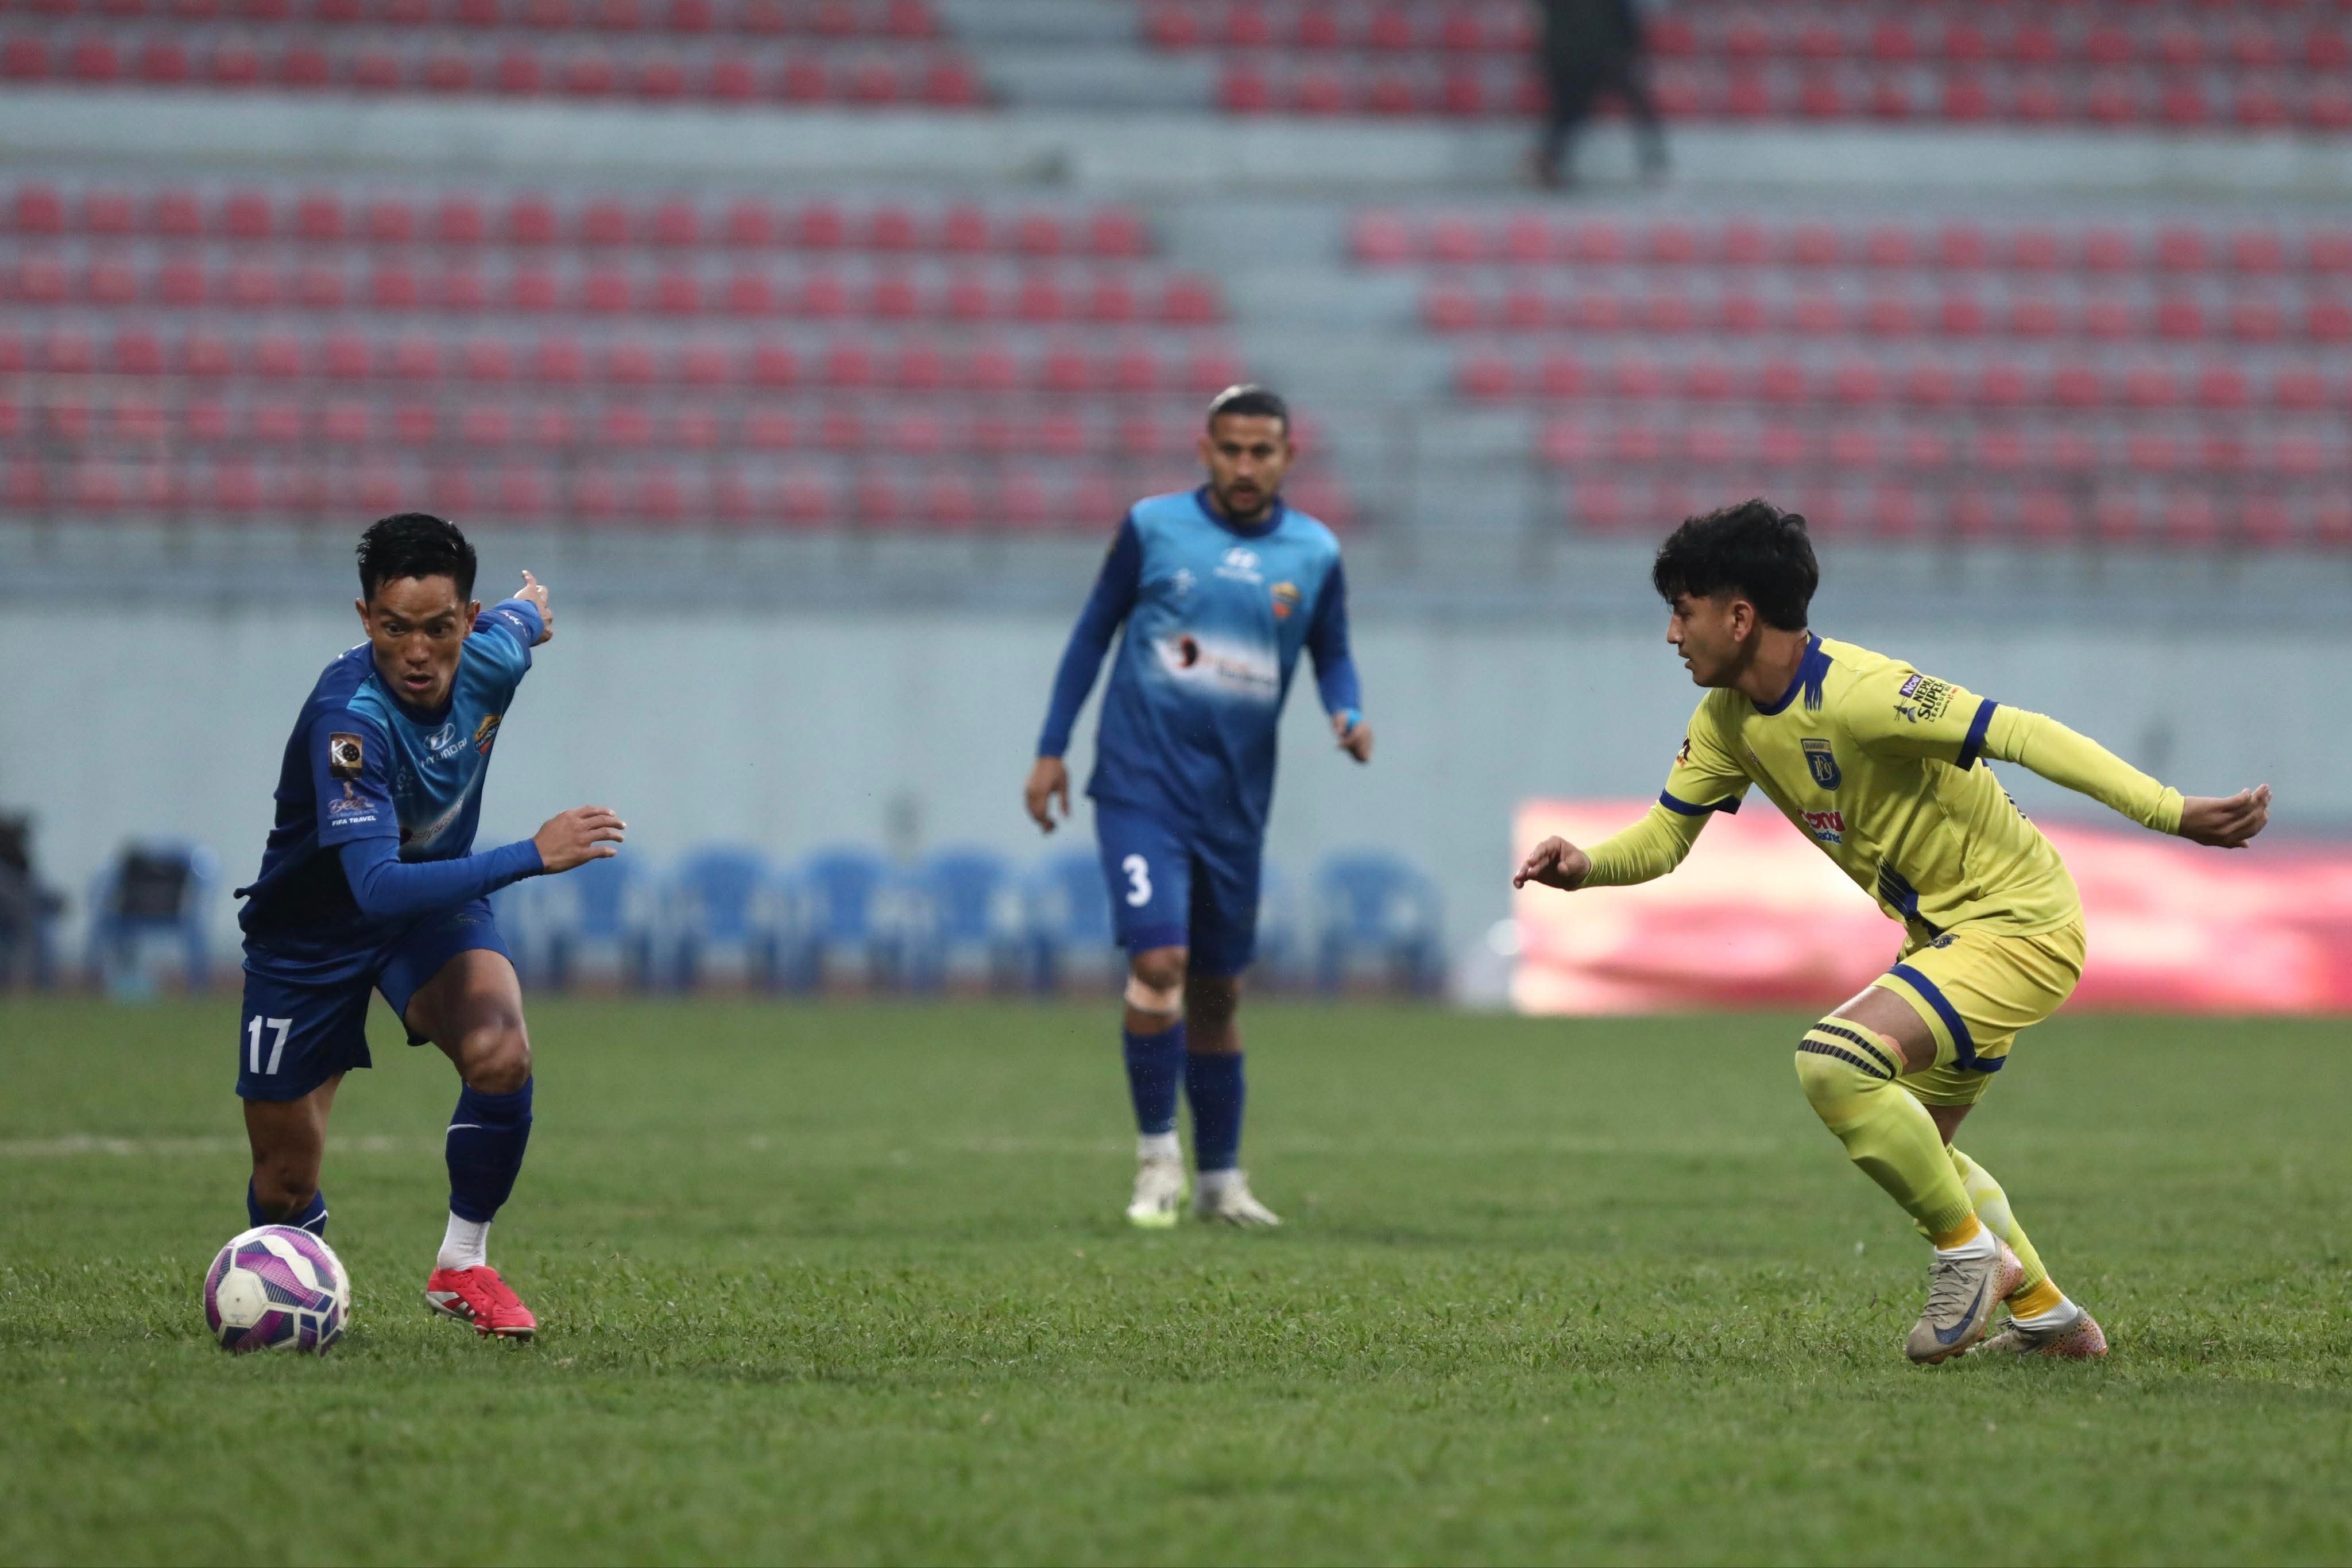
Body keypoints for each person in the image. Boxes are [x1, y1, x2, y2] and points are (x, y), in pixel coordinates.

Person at [1514, 500, 2270, 1361]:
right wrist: (1587, 864)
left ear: (1739, 616)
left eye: (1682, 611)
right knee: (1922, 1149)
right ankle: (2048, 1319)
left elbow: (2018, 732)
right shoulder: (1725, 720)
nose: (1671, 634)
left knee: (1833, 1064)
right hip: (1947, 940)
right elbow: (1664, 838)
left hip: (2017, 923)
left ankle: (1968, 1255)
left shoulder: (1865, 693)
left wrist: (2168, 810)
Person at [233, 513, 626, 1340]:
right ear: (365, 617)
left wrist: (531, 609)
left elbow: (523, 619)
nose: (417, 652)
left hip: (431, 907)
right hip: (312, 932)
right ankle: (293, 1279)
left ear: (469, 621)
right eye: (394, 629)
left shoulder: (494, 653)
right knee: (283, 1182)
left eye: (439, 629)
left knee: (502, 1052)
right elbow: (375, 887)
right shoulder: (349, 720)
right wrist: (531, 854)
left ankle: (462, 1264)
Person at [1025, 386, 1372, 1229]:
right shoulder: (1153, 528)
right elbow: (1093, 632)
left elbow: (1331, 651)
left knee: (1217, 994)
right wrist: (1051, 747)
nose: (1245, 466)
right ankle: (1157, 1162)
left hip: (1234, 804)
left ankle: (1220, 1181)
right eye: (1231, 450)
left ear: (1288, 457)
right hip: (1140, 786)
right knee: (1160, 964)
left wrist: (1347, 709)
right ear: (1205, 450)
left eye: (1261, 451)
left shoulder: (1314, 552)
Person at [1531, 0, 1668, 189]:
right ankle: (1549, 163)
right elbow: (1627, 24)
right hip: (1589, 59)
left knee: (1569, 114)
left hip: (1581, 59)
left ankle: (1655, 164)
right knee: (1570, 114)